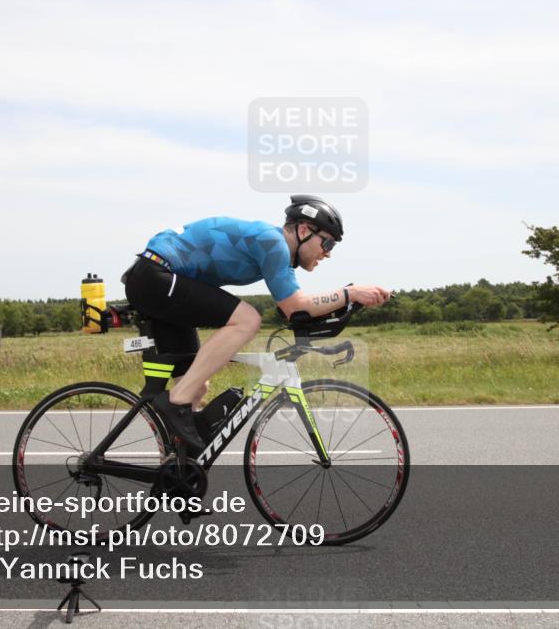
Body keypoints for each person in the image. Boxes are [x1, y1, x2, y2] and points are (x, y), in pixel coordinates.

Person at [122, 195, 392, 454]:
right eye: (328, 244)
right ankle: (174, 402)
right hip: (156, 276)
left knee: (196, 387)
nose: (328, 254)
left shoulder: (275, 250)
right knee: (247, 320)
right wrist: (351, 293)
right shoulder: (273, 243)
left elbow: (297, 310)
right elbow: (295, 305)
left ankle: (176, 473)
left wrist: (346, 301)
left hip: (158, 279)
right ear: (304, 230)